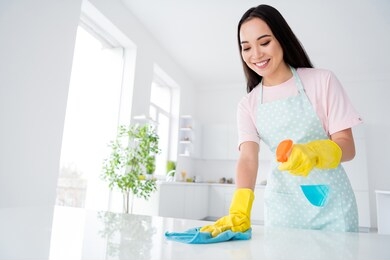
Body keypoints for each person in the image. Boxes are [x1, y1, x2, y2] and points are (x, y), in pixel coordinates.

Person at [200, 4, 362, 237]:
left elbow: (347, 145)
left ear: (282, 39)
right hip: (283, 207)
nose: (255, 55)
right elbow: (247, 158)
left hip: (333, 206)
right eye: (246, 48)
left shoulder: (322, 81)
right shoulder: (248, 104)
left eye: (264, 42)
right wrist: (239, 209)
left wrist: (315, 152)